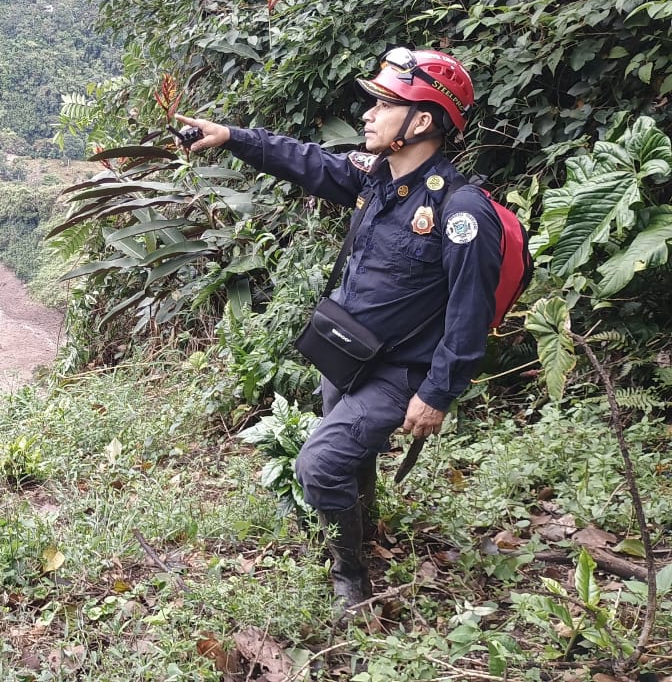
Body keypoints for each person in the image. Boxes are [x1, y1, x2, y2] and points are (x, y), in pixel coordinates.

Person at [174, 48, 503, 611]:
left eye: (384, 104)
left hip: (401, 373)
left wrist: (438, 393)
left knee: (319, 464)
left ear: (420, 122)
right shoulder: (375, 179)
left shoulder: (461, 211)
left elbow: (471, 315)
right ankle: (366, 526)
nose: (369, 114)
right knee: (354, 459)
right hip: (347, 353)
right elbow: (303, 160)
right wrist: (230, 135)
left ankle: (349, 572)